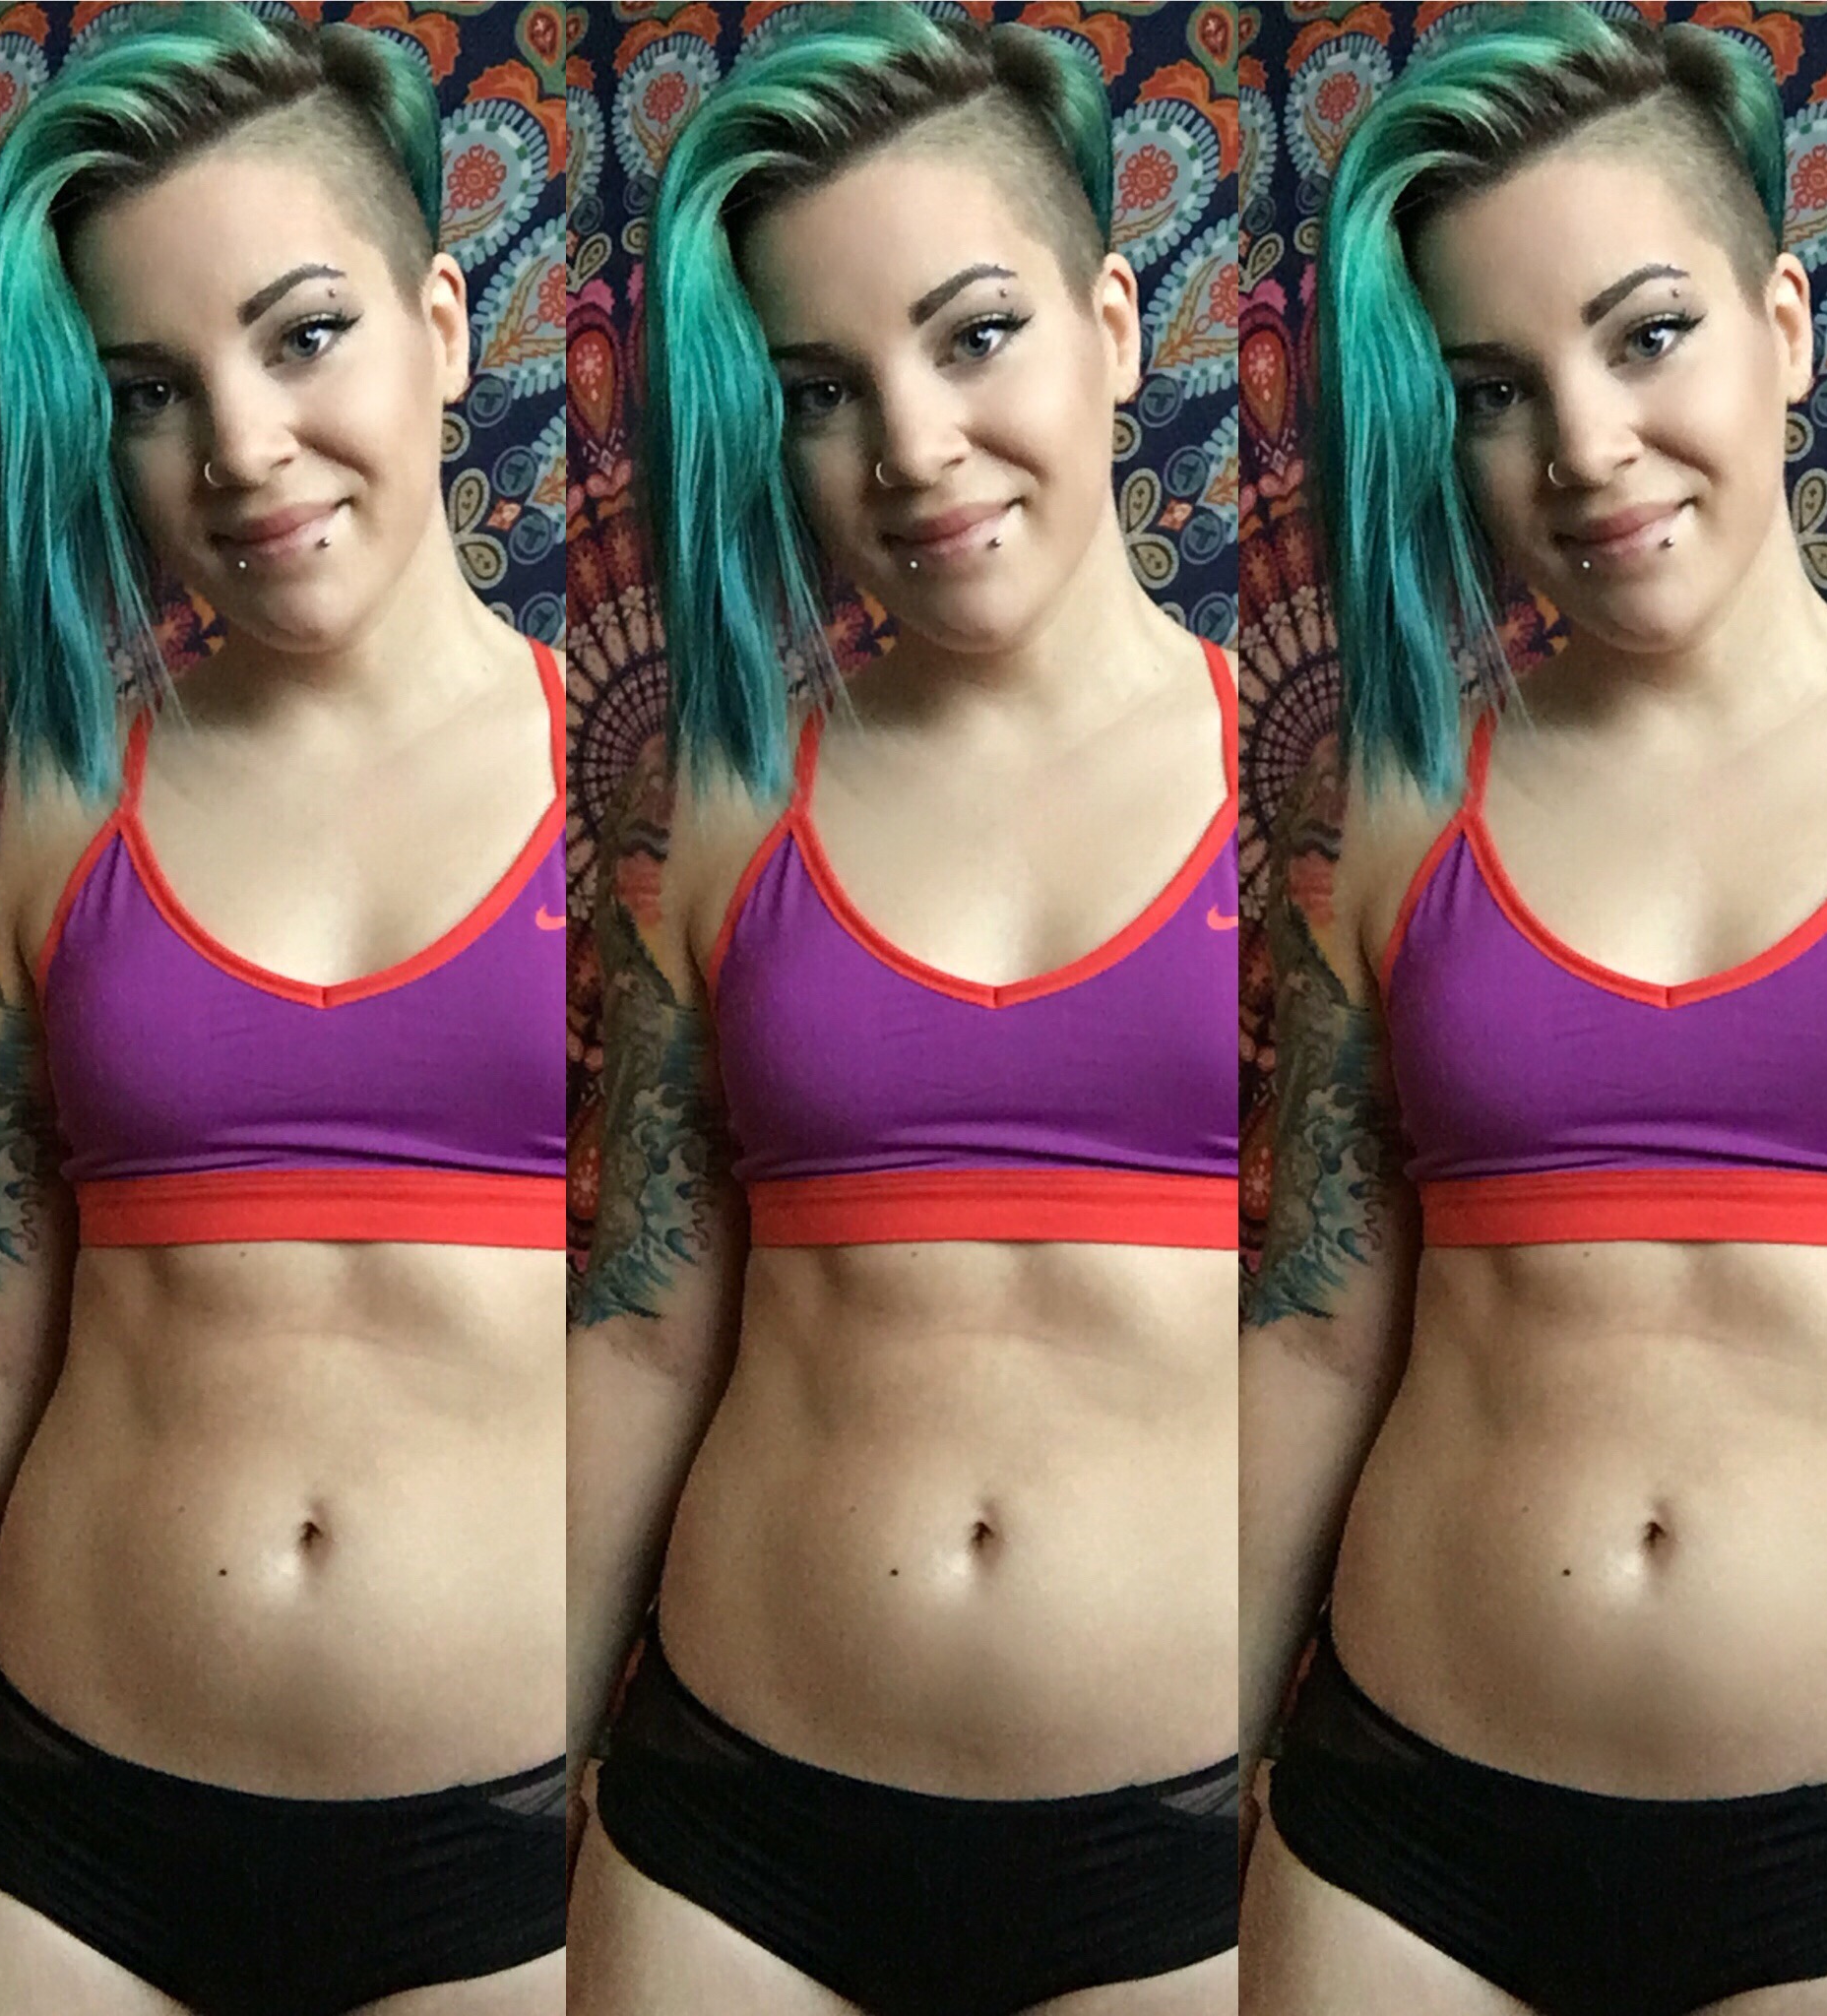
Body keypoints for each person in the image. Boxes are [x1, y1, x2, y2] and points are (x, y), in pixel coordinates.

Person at [560, 9, 1239, 2014]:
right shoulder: (720, 807)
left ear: (1112, 325)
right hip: (730, 1845)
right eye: (821, 390)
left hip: (1170, 1864)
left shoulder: (1333, 786)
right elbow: (647, 1332)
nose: (913, 448)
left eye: (975, 336)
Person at [1237, 7, 1827, 2013]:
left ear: (1782, 325)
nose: (1586, 447)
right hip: (1401, 1853)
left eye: (1647, 336)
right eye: (1494, 390)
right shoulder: (1391, 807)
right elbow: (1318, 1333)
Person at [0, 10, 567, 2014]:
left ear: (440, 325)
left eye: (303, 336)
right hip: (57, 1851)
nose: (242, 447)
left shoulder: (666, 787)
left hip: (500, 1868)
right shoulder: (42, 804)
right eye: (150, 390)